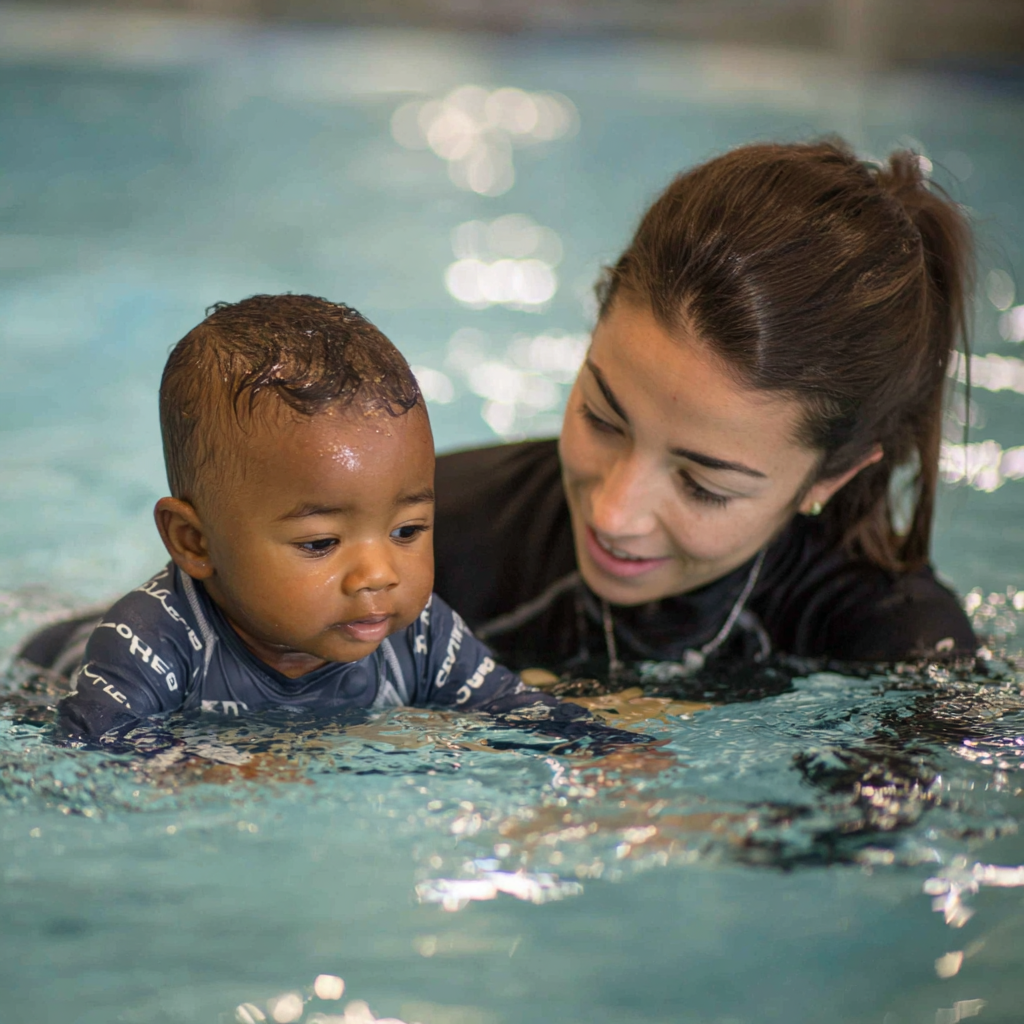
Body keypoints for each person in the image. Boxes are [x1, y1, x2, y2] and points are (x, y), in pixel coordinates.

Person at [432, 139, 977, 679]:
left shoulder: (903, 651)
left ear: (829, 479)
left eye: (703, 486)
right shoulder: (430, 545)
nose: (613, 515)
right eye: (601, 419)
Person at [46, 295, 598, 742]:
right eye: (320, 543)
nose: (378, 574)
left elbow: (517, 710)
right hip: (48, 667)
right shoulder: (152, 641)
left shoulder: (421, 637)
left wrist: (610, 751)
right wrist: (206, 767)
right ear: (195, 542)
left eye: (406, 531)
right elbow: (91, 753)